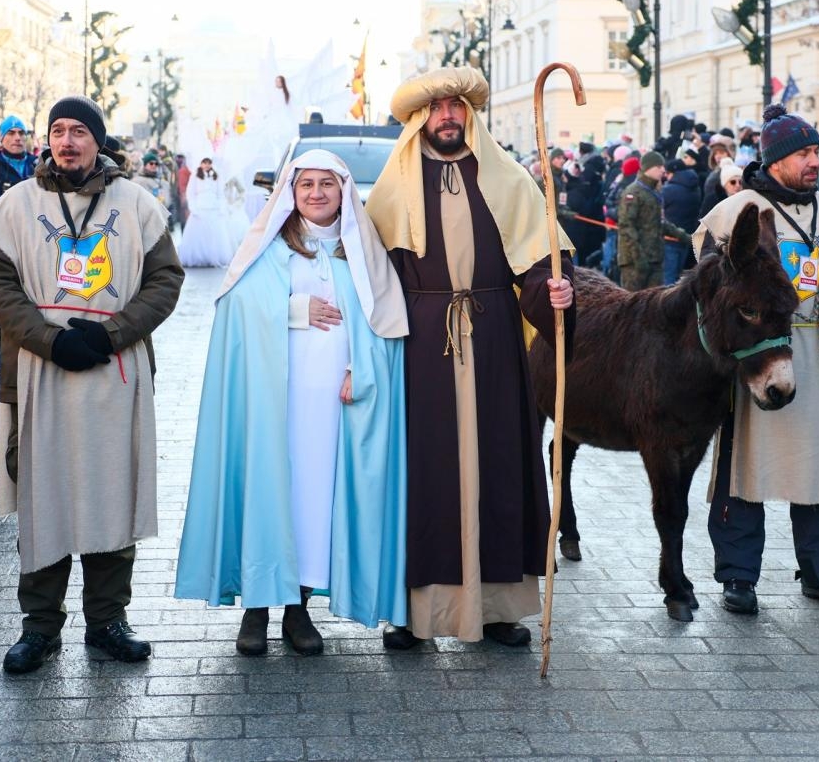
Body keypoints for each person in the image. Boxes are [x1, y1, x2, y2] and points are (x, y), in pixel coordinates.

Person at [364, 67, 576, 648]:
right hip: (420, 344)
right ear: (419, 120)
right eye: (436, 109)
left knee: (500, 461)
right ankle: (415, 613)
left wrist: (554, 290)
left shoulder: (505, 178)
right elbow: (367, 272)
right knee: (423, 471)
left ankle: (500, 607)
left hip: (494, 342)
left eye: (457, 106)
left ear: (470, 115)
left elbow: (540, 262)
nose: (448, 116)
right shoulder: (392, 186)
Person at [0, 96, 184, 674]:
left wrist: (113, 334)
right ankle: (40, 627)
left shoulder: (137, 204)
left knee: (110, 492)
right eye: (58, 131)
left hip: (112, 373)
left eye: (79, 132)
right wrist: (49, 339)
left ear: (98, 141)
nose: (67, 141)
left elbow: (165, 280)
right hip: (39, 369)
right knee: (42, 496)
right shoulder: (15, 205)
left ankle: (107, 621)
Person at [175, 150, 409, 656]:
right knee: (269, 493)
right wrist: (293, 309)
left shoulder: (361, 251)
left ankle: (298, 607)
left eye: (328, 184)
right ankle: (256, 610)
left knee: (312, 502)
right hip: (276, 399)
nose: (317, 193)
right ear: (291, 191)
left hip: (334, 406)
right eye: (307, 185)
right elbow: (236, 305)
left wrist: (359, 368)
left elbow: (384, 321)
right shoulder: (268, 246)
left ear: (344, 192)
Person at [694, 103, 819, 616]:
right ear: (774, 160)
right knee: (743, 468)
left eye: (817, 150)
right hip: (755, 357)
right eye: (803, 153)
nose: (815, 160)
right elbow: (704, 283)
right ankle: (738, 577)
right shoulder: (734, 212)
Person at [617, 151, 686, 290]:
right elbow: (626, 226)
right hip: (634, 261)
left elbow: (659, 222)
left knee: (653, 306)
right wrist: (638, 257)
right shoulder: (633, 192)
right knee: (633, 305)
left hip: (654, 258)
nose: (663, 170)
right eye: (659, 166)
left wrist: (683, 236)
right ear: (648, 168)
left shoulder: (655, 192)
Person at [177, 157, 237, 267]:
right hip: (199, 209)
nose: (206, 165)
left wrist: (221, 208)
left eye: (209, 163)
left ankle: (212, 257)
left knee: (214, 235)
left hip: (214, 209)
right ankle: (199, 257)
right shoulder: (195, 176)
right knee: (198, 235)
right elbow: (191, 194)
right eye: (204, 162)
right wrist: (193, 208)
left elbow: (220, 194)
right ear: (200, 163)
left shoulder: (217, 176)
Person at [660, 158, 701, 283]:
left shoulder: (668, 190)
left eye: (667, 173)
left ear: (673, 173)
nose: (666, 177)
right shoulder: (696, 188)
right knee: (678, 277)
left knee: (668, 277)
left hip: (670, 238)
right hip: (686, 237)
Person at [0, 116, 37, 198]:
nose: (17, 138)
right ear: (2, 138)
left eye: (21, 133)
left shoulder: (38, 166)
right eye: (11, 133)